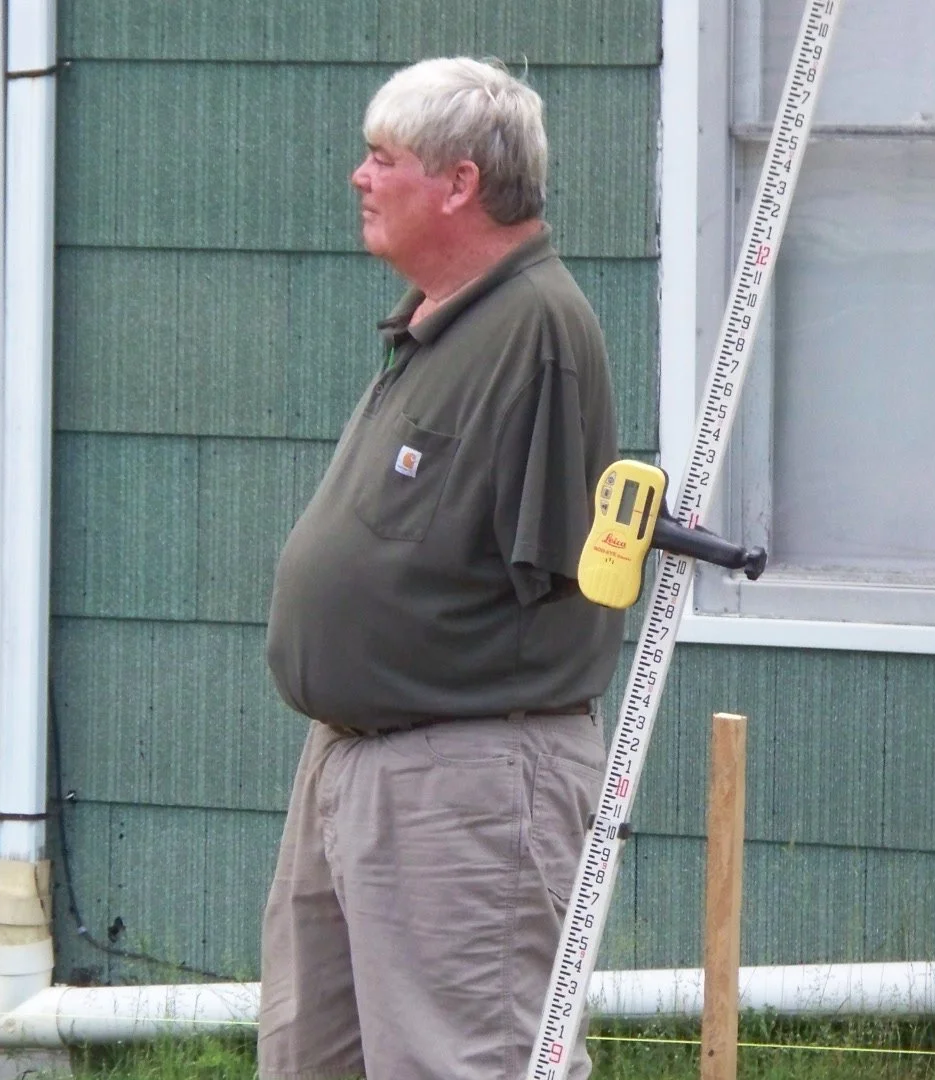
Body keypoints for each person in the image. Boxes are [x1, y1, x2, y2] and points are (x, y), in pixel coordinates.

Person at [258, 56, 623, 1080]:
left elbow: (561, 577)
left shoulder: (535, 329)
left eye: (384, 159)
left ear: (459, 183)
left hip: (467, 781)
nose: (359, 178)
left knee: (467, 1062)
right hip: (358, 762)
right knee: (312, 1059)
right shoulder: (441, 324)